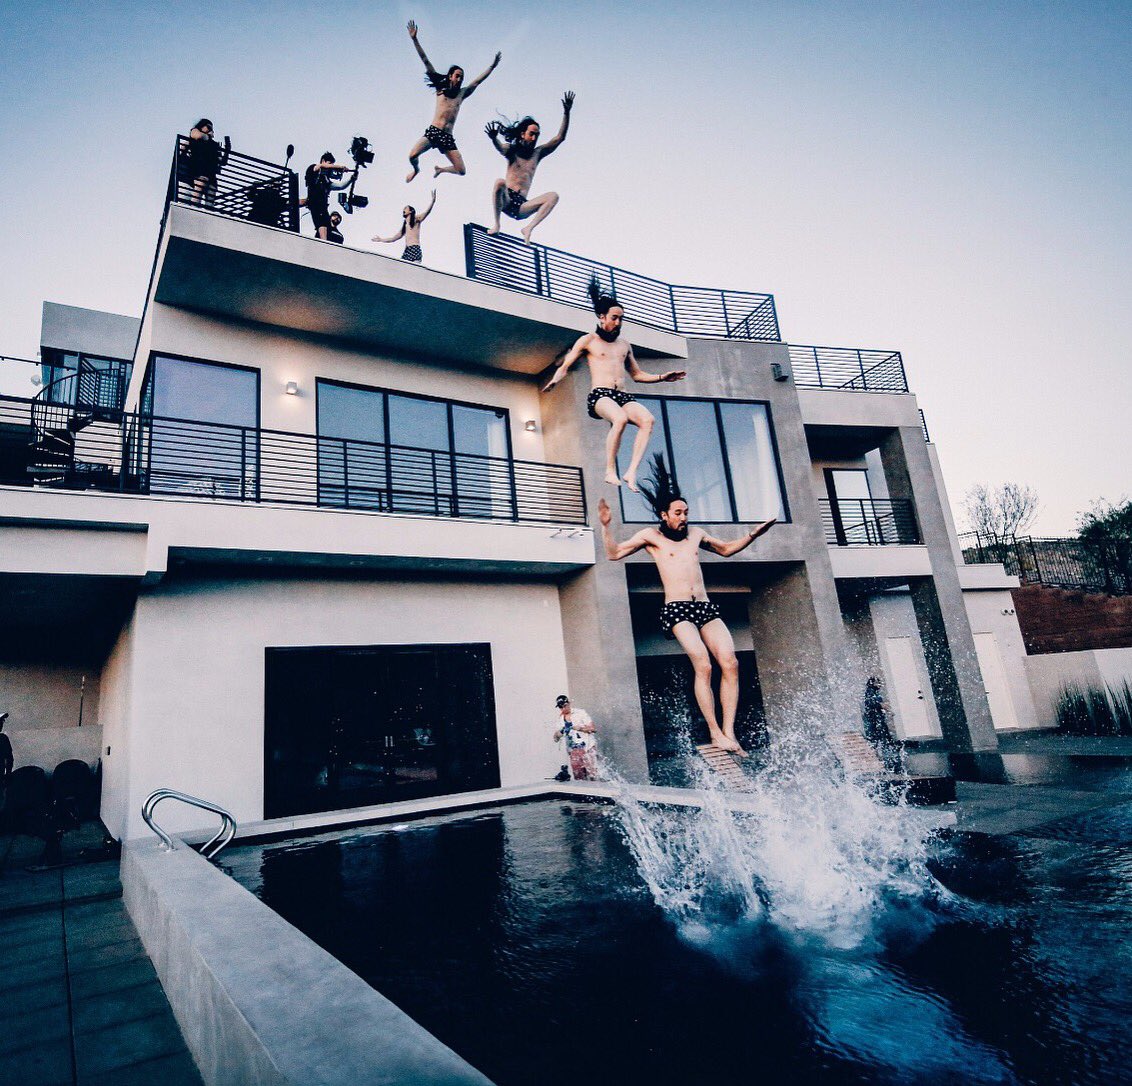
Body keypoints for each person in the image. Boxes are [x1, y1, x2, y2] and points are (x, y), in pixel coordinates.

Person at [598, 456, 776, 754]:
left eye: (686, 512)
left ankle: (728, 733)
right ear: (664, 515)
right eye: (678, 513)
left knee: (730, 663)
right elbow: (614, 554)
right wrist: (606, 527)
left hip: (704, 606)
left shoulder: (696, 534)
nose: (684, 517)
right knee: (703, 664)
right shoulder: (650, 537)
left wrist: (753, 534)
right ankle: (714, 731)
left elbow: (726, 550)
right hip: (677, 609)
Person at [542, 278, 686, 491]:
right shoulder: (588, 340)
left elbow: (637, 375)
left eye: (621, 319)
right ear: (602, 317)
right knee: (619, 419)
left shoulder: (624, 345)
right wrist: (555, 380)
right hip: (600, 395)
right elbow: (566, 365)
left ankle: (631, 472)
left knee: (648, 420)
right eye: (614, 318)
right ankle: (610, 470)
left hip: (623, 395)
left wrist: (662, 377)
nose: (618, 323)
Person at [404, 19, 501, 182]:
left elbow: (477, 82)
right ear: (450, 76)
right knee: (412, 155)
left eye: (462, 77)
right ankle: (416, 170)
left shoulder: (462, 93)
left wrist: (492, 67)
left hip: (447, 137)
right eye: (457, 76)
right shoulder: (440, 89)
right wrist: (414, 39)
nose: (460, 79)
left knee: (461, 170)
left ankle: (441, 169)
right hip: (434, 132)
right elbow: (425, 60)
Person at [484, 92, 574, 243]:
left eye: (537, 135)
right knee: (499, 182)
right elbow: (501, 148)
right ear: (522, 134)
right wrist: (494, 139)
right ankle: (497, 224)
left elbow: (560, 138)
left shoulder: (538, 153)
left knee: (553, 196)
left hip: (522, 207)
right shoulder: (512, 151)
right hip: (506, 200)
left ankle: (528, 229)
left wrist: (567, 112)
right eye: (531, 134)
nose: (534, 138)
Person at [372, 190, 437, 263]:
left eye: (406, 208)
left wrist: (432, 202)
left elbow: (426, 213)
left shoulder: (416, 220)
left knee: (414, 267)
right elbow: (393, 238)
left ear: (410, 211)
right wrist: (381, 239)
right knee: (401, 266)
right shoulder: (405, 226)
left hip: (415, 248)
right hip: (407, 251)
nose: (403, 209)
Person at [303, 153, 357, 241]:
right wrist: (339, 167)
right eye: (330, 163)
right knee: (322, 222)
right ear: (323, 161)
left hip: (322, 205)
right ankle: (324, 243)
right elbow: (322, 166)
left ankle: (324, 242)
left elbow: (340, 186)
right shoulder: (314, 168)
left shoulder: (326, 180)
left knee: (326, 223)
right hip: (316, 203)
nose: (331, 166)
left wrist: (351, 179)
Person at [182, 119, 230, 206]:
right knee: (199, 189)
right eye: (208, 127)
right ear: (201, 126)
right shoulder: (195, 131)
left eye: (211, 129)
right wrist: (208, 136)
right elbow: (197, 136)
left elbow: (222, 162)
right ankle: (194, 208)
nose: (210, 130)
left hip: (211, 172)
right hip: (200, 168)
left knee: (211, 194)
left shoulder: (214, 144)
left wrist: (227, 151)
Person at [552, 695, 598, 781]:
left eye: (564, 706)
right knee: (579, 778)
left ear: (569, 703)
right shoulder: (560, 719)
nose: (563, 709)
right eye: (560, 707)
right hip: (574, 752)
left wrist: (580, 728)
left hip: (587, 748)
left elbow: (593, 729)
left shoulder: (580, 713)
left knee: (593, 776)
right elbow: (555, 738)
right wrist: (560, 733)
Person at [862, 676, 902, 771]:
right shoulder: (870, 691)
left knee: (882, 740)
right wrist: (884, 706)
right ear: (873, 683)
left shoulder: (873, 692)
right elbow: (872, 703)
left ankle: (887, 761)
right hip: (875, 721)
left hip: (876, 720)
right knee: (882, 740)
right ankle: (889, 763)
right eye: (878, 683)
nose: (880, 685)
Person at [0, 712, 12, 784]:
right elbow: (9, 759)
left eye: (2, 721)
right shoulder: (3, 738)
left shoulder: (3, 738)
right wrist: (7, 776)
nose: (1, 724)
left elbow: (9, 759)